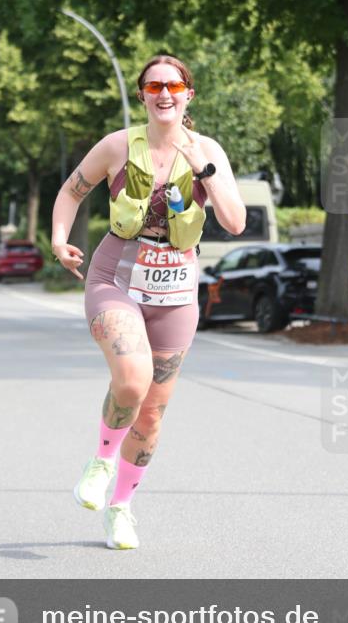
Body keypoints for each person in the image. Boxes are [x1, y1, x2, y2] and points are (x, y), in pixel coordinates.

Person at [51, 54, 246, 550]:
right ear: (142, 94)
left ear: (188, 95)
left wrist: (202, 167)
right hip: (115, 276)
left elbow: (234, 221)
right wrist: (58, 239)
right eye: (154, 85)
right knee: (133, 380)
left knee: (153, 412)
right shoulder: (117, 146)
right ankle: (100, 461)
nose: (164, 93)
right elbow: (71, 192)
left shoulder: (209, 152)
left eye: (174, 85)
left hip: (177, 289)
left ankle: (121, 508)